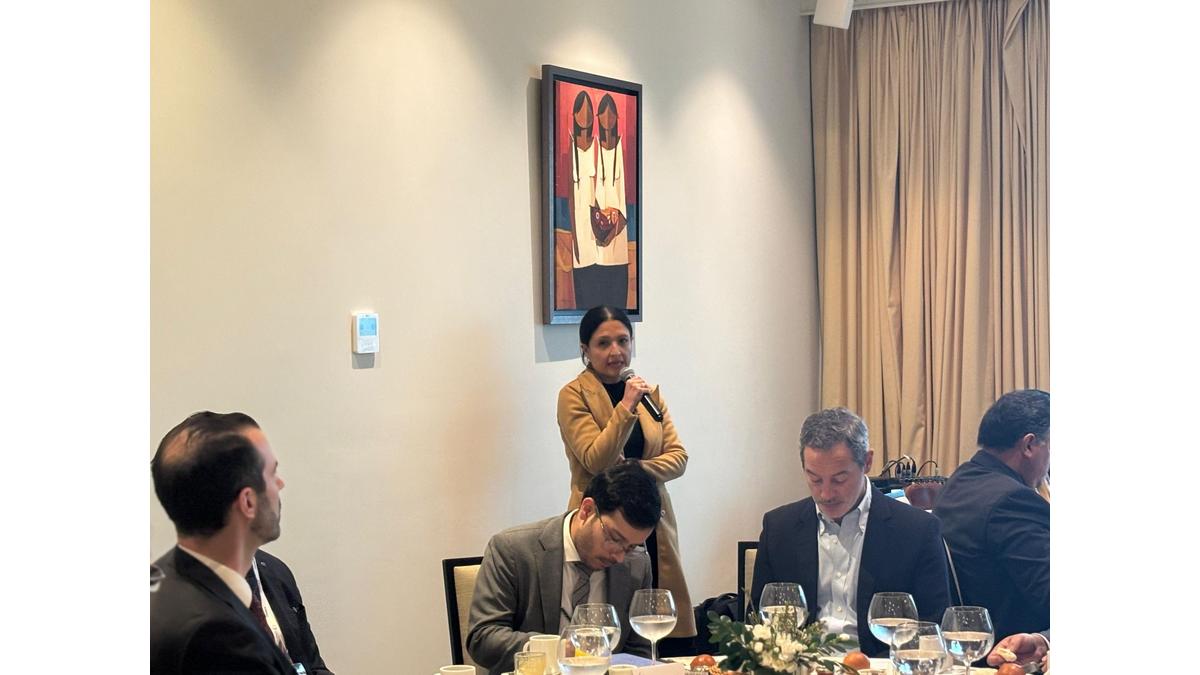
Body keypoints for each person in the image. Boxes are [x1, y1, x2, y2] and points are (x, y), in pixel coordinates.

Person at [751, 407, 950, 657]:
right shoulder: (780, 528)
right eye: (815, 479)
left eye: (839, 479)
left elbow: (932, 628)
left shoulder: (916, 530)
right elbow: (758, 622)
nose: (825, 494)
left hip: (880, 666)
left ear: (867, 462)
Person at [150, 411, 332, 675]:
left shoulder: (160, 587)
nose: (280, 484)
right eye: (272, 473)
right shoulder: (223, 640)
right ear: (248, 502)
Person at [556, 305, 694, 641]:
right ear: (585, 350)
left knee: (657, 616)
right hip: (603, 523)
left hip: (652, 521)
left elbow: (678, 457)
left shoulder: (649, 394)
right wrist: (626, 406)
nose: (616, 351)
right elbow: (596, 461)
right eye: (603, 343)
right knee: (606, 618)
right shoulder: (573, 396)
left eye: (623, 340)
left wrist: (634, 468)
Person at [466, 463, 659, 675]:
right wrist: (554, 649)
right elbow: (483, 638)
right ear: (587, 510)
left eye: (631, 547)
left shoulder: (637, 564)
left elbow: (639, 652)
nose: (620, 557)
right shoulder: (513, 550)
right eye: (614, 538)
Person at [933, 389, 1049, 641]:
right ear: (1029, 445)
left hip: (970, 638)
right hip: (1017, 647)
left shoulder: (959, 481)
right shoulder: (1013, 501)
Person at [567, 90, 630, 309]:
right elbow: (573, 200)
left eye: (611, 113)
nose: (585, 115)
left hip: (610, 243)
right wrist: (577, 239)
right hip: (586, 244)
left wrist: (614, 223)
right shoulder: (576, 149)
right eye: (581, 110)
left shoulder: (612, 150)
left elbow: (620, 197)